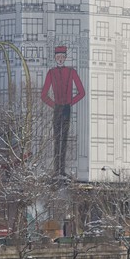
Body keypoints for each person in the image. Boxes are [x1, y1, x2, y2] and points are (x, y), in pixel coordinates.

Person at [40, 46, 86, 177]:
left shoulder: (71, 72)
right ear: (55, 58)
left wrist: (70, 102)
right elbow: (43, 94)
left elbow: (82, 92)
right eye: (57, 57)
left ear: (65, 58)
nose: (60, 59)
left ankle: (61, 170)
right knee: (56, 139)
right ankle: (56, 170)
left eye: (62, 57)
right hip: (57, 108)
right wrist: (53, 105)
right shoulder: (51, 73)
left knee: (64, 139)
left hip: (66, 108)